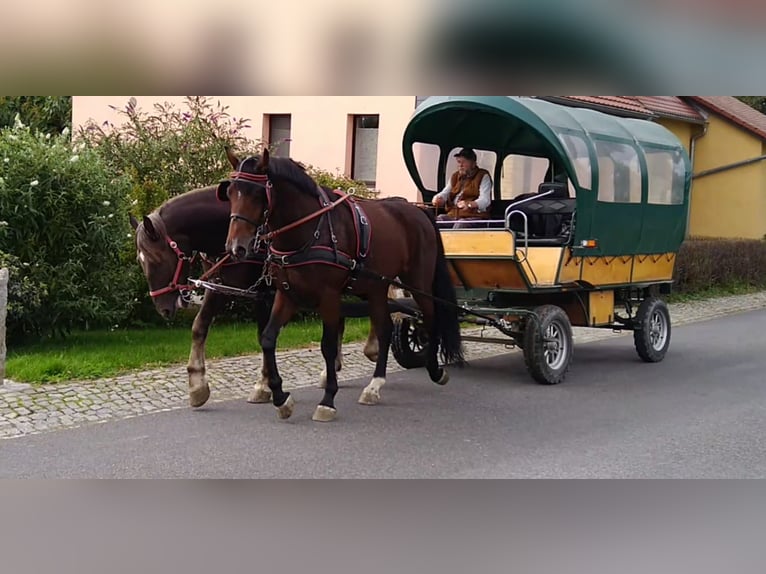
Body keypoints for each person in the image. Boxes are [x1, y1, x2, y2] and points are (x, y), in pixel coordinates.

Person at [432, 148, 493, 229]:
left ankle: (451, 242)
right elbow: (445, 192)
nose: (460, 165)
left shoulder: (483, 176)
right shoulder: (455, 176)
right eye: (459, 162)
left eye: (464, 162)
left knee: (461, 224)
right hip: (454, 215)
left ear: (473, 164)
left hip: (475, 216)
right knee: (437, 220)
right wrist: (439, 198)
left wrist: (469, 204)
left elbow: (485, 200)